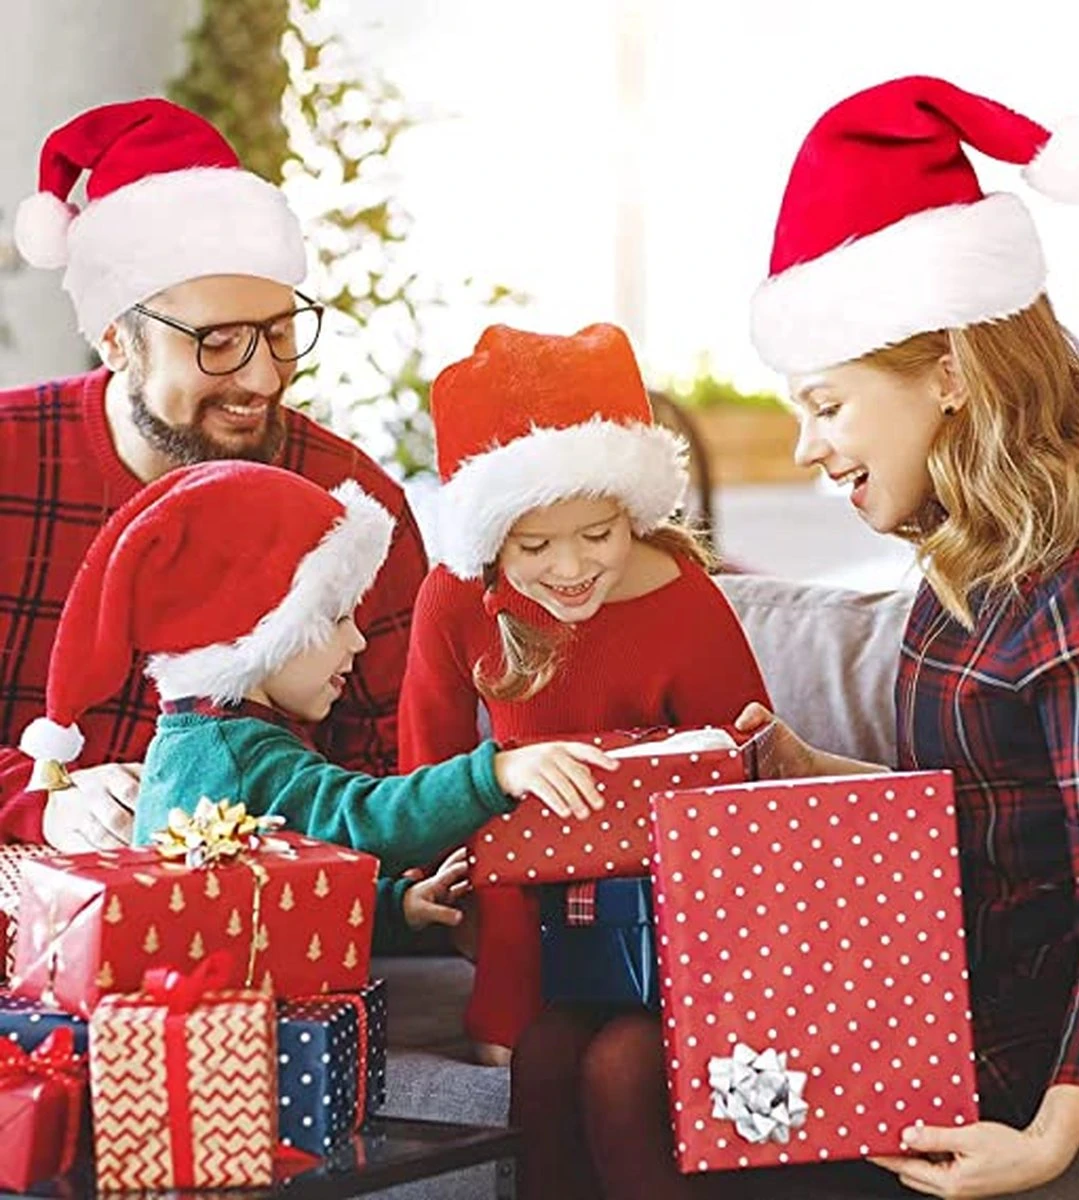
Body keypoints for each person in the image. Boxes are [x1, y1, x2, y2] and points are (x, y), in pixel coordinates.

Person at [511, 76, 1079, 1199]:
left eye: (826, 405)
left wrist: (1047, 1143)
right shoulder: (961, 568)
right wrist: (808, 770)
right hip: (936, 990)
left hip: (1032, 1046)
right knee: (606, 1053)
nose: (807, 447)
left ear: (949, 373)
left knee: (651, 1082)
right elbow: (977, 807)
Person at [0, 98, 427, 852]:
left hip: (260, 935)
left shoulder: (352, 505)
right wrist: (42, 804)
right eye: (219, 342)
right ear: (115, 340)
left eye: (281, 331)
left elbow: (396, 770)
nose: (263, 376)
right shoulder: (8, 461)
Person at [19, 460, 616, 944]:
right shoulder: (238, 750)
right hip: (241, 1023)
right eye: (334, 618)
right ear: (260, 634)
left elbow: (281, 884)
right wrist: (494, 773)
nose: (357, 641)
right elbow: (356, 817)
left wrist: (393, 907)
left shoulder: (202, 740)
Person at [397, 322, 770, 1063]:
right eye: (534, 547)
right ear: (491, 541)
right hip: (514, 898)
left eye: (598, 534)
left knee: (624, 1064)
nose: (570, 567)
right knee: (523, 1055)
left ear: (633, 511)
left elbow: (746, 774)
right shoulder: (453, 599)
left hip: (662, 896)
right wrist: (435, 887)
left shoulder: (685, 602)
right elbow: (425, 761)